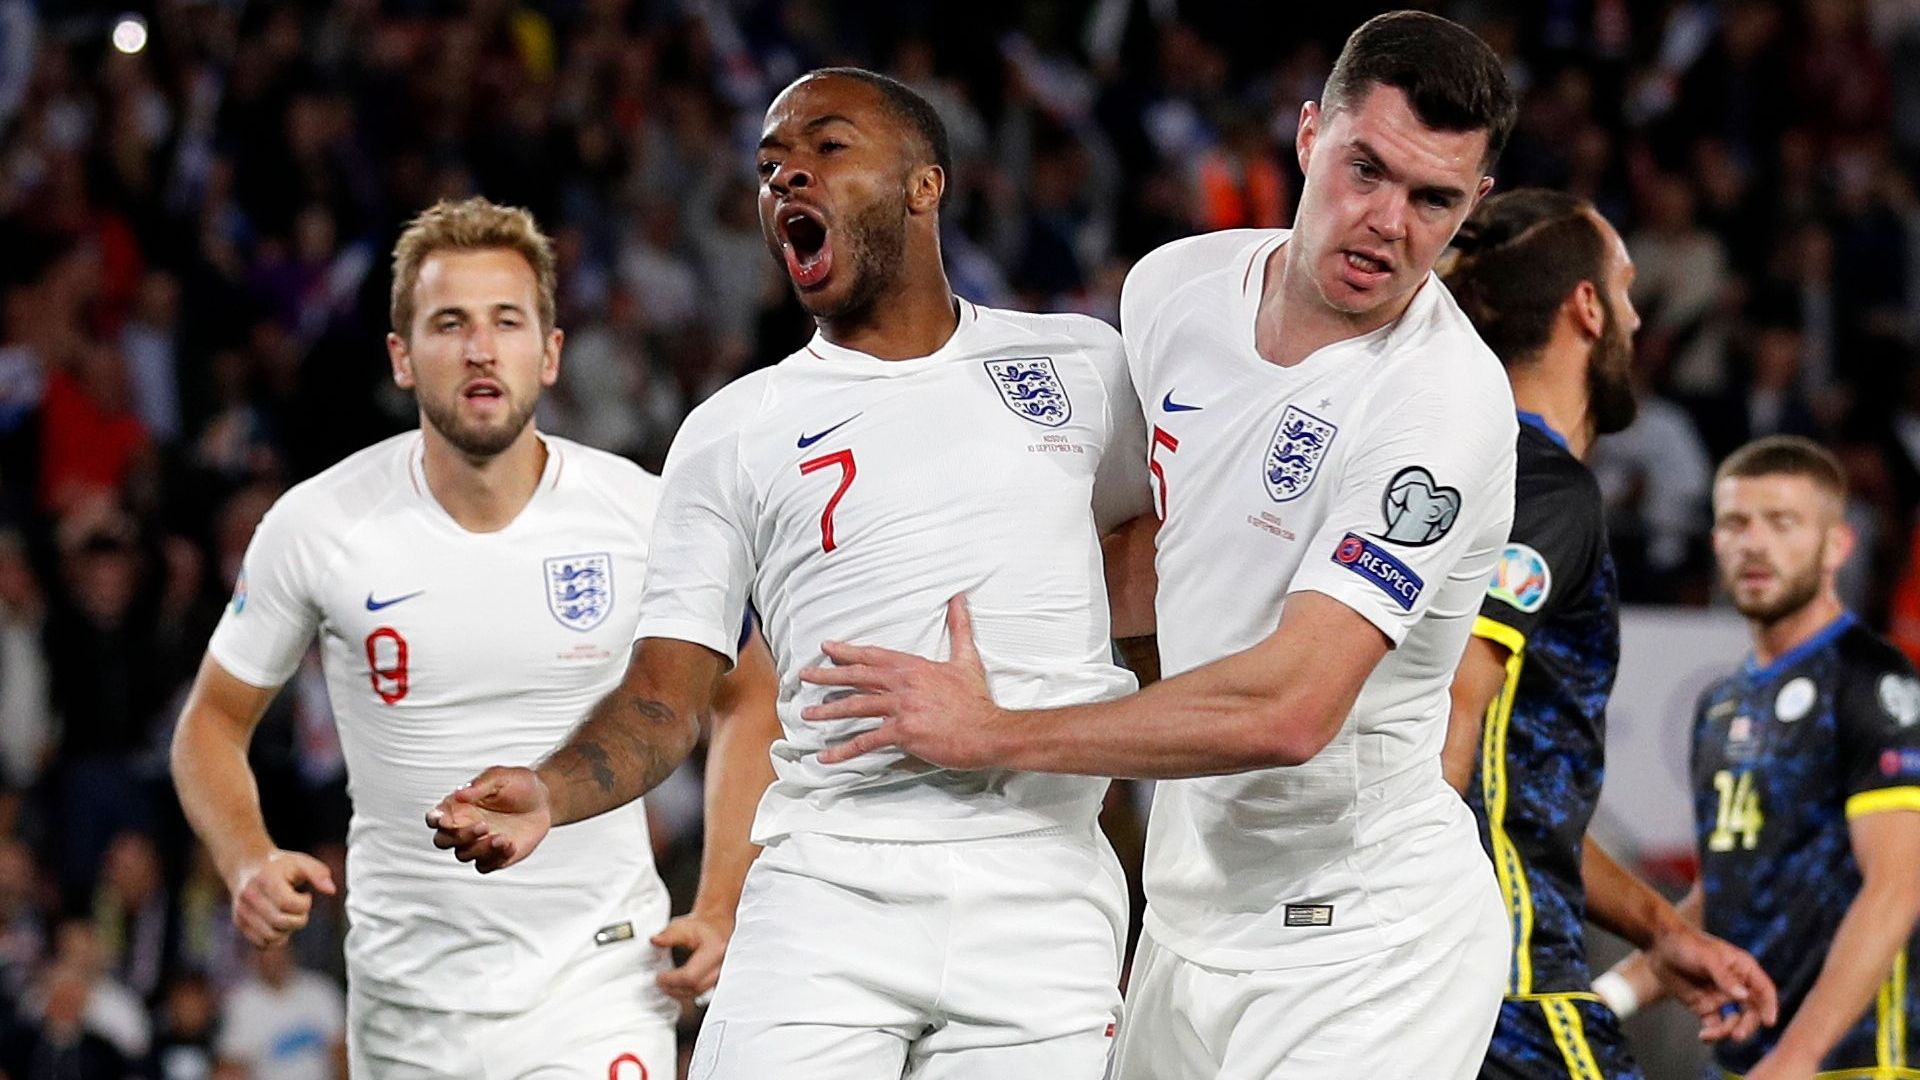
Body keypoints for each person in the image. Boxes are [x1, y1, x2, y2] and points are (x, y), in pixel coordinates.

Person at [792, 12, 1520, 1078]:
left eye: (1433, 200)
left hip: (1366, 949)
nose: (1386, 222)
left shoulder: (1440, 408)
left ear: (1475, 207)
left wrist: (996, 729)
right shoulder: (1174, 291)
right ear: (1309, 134)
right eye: (1366, 169)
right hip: (1183, 918)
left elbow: (1291, 708)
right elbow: (1150, 556)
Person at [427, 68, 1152, 1079]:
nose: (786, 177)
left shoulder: (1081, 366)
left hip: (1046, 888)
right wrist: (552, 789)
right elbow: (663, 697)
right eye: (770, 167)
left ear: (923, 184)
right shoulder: (734, 431)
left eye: (826, 147)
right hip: (829, 890)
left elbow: (1144, 553)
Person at [169, 196, 779, 1078]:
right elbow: (211, 722)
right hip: (407, 1003)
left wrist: (721, 899)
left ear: (552, 351)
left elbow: (749, 693)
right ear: (402, 357)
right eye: (449, 323)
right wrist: (245, 857)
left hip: (599, 981)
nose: (481, 348)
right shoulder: (317, 524)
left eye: (507, 321)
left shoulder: (643, 515)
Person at [1437, 188, 1777, 1079]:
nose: (1633, 312)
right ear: (1586, 308)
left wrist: (1665, 931)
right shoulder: (1543, 486)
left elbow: (1513, 803)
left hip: (1459, 962)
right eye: (1625, 288)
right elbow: (1447, 720)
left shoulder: (1453, 462)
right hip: (1497, 976)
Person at [1603, 436, 1920, 1079]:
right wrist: (1602, 1002)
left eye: (1783, 524)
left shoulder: (1873, 682)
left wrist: (1798, 1056)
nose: (1754, 544)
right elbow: (1723, 894)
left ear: (1836, 546)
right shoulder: (1721, 704)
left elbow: (1898, 884)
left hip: (1854, 1061)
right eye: (1736, 523)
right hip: (1742, 1060)